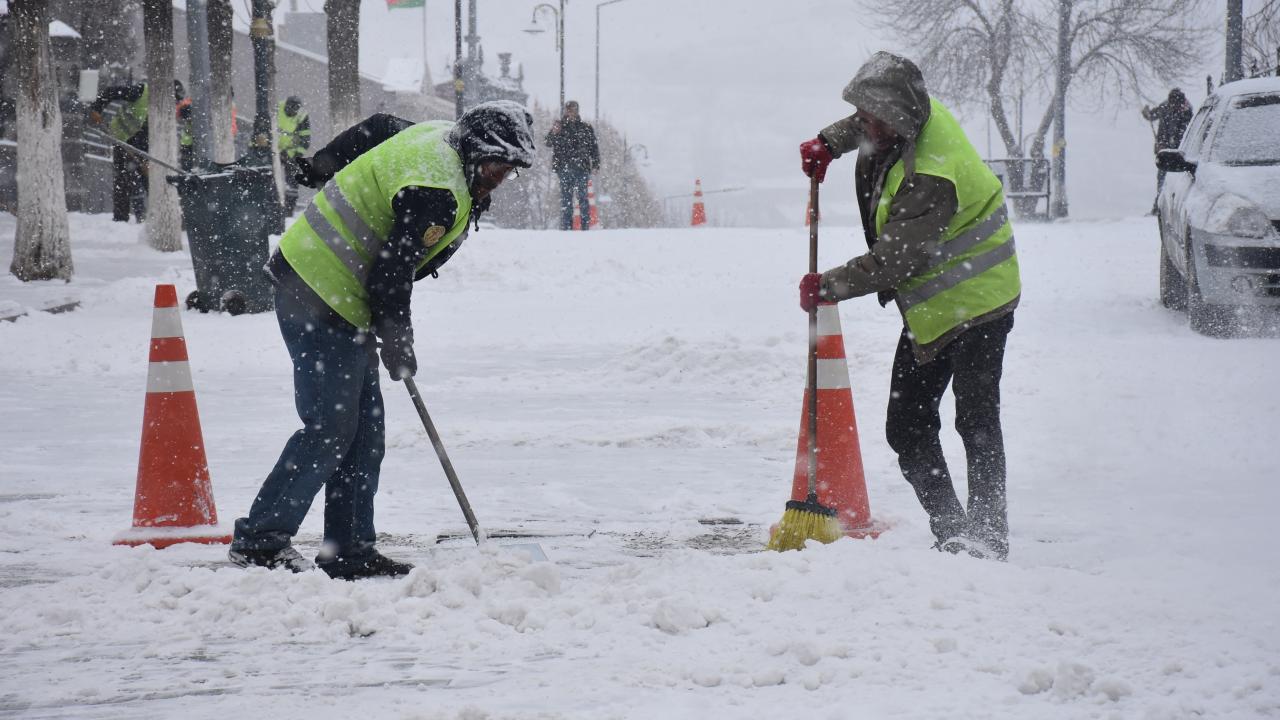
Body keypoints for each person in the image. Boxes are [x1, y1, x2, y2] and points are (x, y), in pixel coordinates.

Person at [228, 101, 536, 580]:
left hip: (341, 296)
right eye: (497, 167)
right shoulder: (436, 192)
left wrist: (322, 166)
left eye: (508, 171)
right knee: (330, 427)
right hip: (315, 290)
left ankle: (348, 549)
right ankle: (260, 541)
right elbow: (390, 274)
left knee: (364, 432)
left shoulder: (439, 137)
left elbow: (378, 128)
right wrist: (397, 340)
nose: (499, 179)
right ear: (475, 152)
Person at [798, 52, 1021, 560]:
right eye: (864, 115)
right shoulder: (908, 114)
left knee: (976, 420)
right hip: (935, 305)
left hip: (981, 298)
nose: (868, 126)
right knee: (907, 426)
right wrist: (830, 143)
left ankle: (987, 536)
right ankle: (952, 529)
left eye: (877, 119)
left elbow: (891, 263)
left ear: (903, 117)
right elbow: (865, 121)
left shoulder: (932, 175)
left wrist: (827, 285)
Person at [88, 79, 186, 222]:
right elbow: (110, 92)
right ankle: (121, 220)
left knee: (152, 182)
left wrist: (147, 159)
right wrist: (97, 108)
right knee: (123, 179)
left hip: (143, 148)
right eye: (174, 100)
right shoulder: (141, 92)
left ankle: (158, 218)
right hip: (122, 140)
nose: (174, 105)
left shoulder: (164, 111)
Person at [545, 100, 600, 230]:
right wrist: (553, 132)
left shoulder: (586, 128)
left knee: (583, 198)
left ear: (577, 111)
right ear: (565, 111)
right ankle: (567, 227)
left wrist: (596, 164)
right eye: (568, 109)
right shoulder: (560, 127)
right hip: (564, 168)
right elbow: (547, 142)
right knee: (567, 200)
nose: (570, 112)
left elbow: (593, 147)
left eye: (573, 109)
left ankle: (585, 227)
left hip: (581, 168)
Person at [1142, 89, 1193, 214]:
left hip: (1179, 152)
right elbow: (1152, 115)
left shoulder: (1187, 112)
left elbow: (1187, 133)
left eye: (1176, 105)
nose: (1174, 107)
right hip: (1164, 150)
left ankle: (1171, 207)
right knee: (1162, 177)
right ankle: (1159, 205)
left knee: (1176, 180)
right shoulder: (1165, 107)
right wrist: (1146, 113)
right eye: (1172, 104)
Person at [276, 95, 311, 214]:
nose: (293, 112)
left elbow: (305, 139)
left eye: (295, 109)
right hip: (275, 150)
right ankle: (274, 206)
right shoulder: (277, 109)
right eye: (291, 109)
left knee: (292, 181)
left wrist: (295, 155)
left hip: (291, 153)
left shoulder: (302, 116)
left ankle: (289, 210)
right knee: (271, 177)